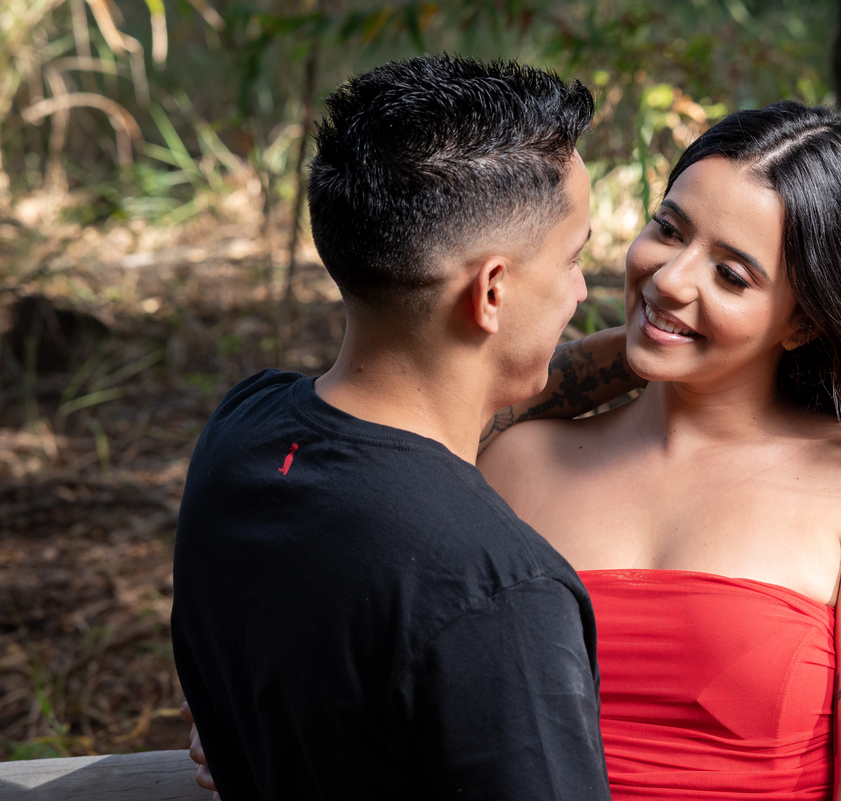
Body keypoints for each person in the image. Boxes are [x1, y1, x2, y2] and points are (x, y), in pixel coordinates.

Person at [478, 102, 841, 800]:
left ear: (805, 318)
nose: (670, 279)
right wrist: (653, 350)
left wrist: (673, 343)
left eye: (731, 275)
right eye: (669, 229)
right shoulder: (516, 463)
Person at [171, 56, 641, 801]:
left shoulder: (243, 432)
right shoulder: (498, 591)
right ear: (492, 290)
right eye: (575, 257)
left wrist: (641, 356)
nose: (583, 289)